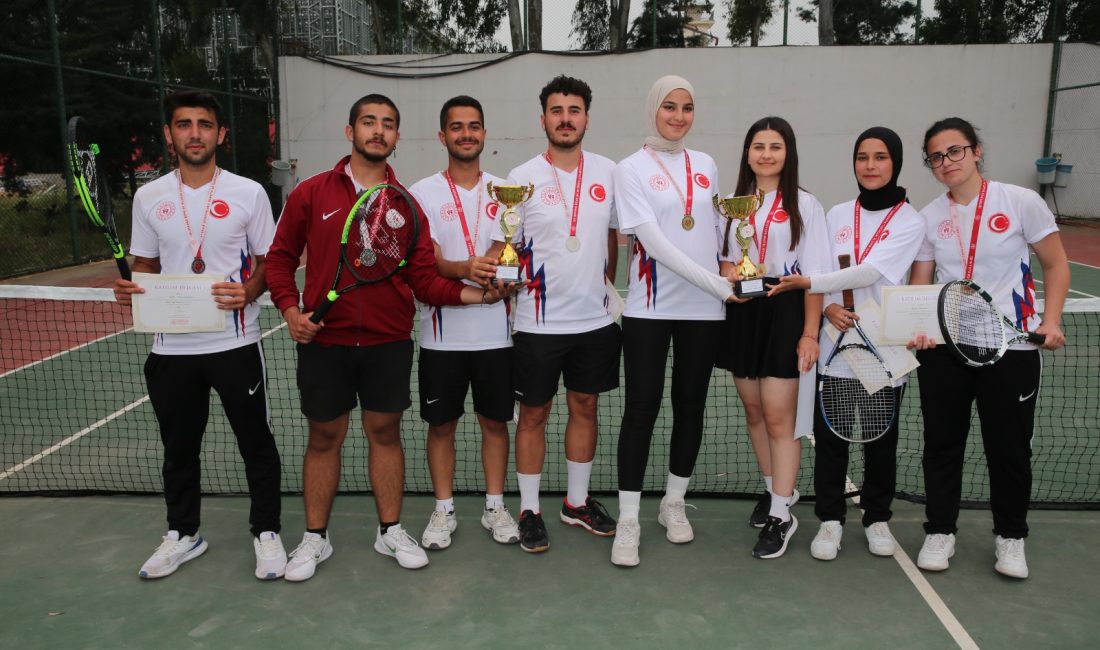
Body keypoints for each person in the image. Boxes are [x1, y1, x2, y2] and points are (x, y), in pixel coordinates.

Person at [266, 94, 510, 580]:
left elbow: (424, 280)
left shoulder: (407, 203)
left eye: (389, 125)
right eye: (369, 122)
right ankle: (315, 537)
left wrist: (479, 298)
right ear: (350, 130)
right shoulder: (312, 193)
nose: (378, 131)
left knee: (385, 434)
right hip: (325, 341)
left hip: (388, 342)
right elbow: (279, 258)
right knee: (323, 437)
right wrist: (290, 309)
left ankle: (390, 529)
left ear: (397, 137)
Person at [113, 90, 285, 580]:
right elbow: (145, 263)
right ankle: (183, 534)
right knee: (179, 448)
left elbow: (272, 262)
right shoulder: (150, 198)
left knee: (256, 443)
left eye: (204, 124)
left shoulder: (249, 193)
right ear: (169, 135)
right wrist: (132, 287)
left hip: (235, 345)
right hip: (171, 349)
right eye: (184, 124)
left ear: (220, 134)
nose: (195, 133)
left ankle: (267, 532)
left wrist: (248, 292)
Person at [907, 117, 1068, 579]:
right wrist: (920, 327)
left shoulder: (1021, 202)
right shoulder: (928, 217)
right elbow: (922, 286)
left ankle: (1011, 538)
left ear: (976, 151)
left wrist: (1050, 320)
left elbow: (1056, 266)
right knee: (941, 445)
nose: (946, 162)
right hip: (947, 353)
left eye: (954, 151)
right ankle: (940, 531)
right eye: (936, 156)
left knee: (1009, 449)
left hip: (1012, 350)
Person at [768, 127, 925, 561]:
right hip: (835, 344)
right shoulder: (836, 214)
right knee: (831, 443)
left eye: (880, 157)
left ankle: (877, 520)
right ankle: (831, 521)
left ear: (895, 163)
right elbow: (820, 266)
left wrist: (813, 283)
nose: (870, 166)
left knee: (880, 444)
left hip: (882, 347)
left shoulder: (911, 222)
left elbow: (872, 271)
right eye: (862, 157)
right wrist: (829, 308)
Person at [486, 75, 621, 553]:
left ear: (587, 117)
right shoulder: (518, 179)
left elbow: (613, 236)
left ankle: (577, 502)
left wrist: (604, 284)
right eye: (557, 110)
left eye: (575, 110)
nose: (566, 119)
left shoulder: (608, 172)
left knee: (586, 408)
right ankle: (529, 509)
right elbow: (505, 246)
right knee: (534, 415)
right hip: (537, 325)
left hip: (595, 324)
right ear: (542, 118)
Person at [608, 76, 737, 567]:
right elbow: (654, 243)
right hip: (649, 309)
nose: (679, 116)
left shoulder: (705, 165)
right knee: (641, 409)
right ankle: (628, 519)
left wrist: (730, 268)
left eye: (686, 107)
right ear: (652, 110)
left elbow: (720, 229)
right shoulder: (630, 168)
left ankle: (673, 504)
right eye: (669, 106)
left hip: (703, 312)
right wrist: (717, 284)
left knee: (691, 406)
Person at [408, 96, 520, 550]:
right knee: (442, 427)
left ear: (484, 134)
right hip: (440, 338)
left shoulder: (507, 189)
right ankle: (443, 509)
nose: (466, 134)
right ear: (442, 136)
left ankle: (495, 505)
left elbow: (505, 244)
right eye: (457, 127)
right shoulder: (421, 193)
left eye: (474, 126)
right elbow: (425, 258)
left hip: (497, 335)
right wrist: (467, 269)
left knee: (495, 424)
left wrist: (490, 272)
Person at [716, 116, 828, 559]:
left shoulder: (806, 206)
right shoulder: (731, 204)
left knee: (781, 420)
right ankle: (774, 491)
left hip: (785, 312)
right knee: (754, 411)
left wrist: (809, 333)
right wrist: (734, 273)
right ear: (747, 153)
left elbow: (815, 278)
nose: (766, 154)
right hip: (743, 313)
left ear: (788, 153)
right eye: (758, 146)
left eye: (775, 146)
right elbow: (724, 263)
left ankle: (783, 513)